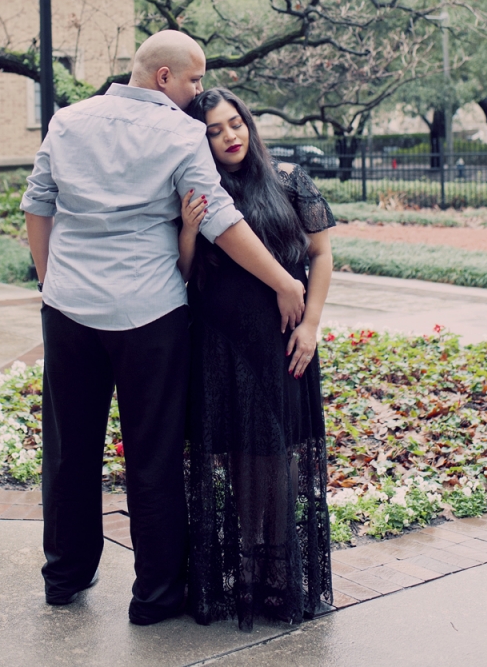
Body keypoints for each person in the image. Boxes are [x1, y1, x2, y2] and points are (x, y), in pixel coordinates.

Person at [21, 31, 306, 626]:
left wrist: (50, 282)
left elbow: (39, 203)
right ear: (163, 78)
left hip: (69, 310)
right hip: (148, 314)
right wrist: (283, 280)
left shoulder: (67, 120)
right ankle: (154, 597)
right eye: (195, 80)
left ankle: (64, 576)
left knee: (70, 450)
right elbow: (219, 221)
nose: (198, 91)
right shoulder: (179, 133)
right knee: (152, 456)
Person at [179, 88, 334, 631]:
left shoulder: (290, 180)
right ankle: (242, 573)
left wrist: (311, 325)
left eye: (235, 122)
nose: (230, 136)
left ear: (248, 122)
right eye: (216, 131)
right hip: (221, 346)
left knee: (277, 459)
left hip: (284, 343)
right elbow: (186, 275)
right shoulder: (199, 189)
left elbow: (320, 253)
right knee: (241, 461)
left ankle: (278, 575)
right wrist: (188, 231)